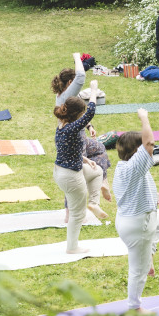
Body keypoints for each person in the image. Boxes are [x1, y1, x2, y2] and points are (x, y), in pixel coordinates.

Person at [112, 108, 159, 312]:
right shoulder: (135, 166)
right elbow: (149, 143)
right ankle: (134, 307)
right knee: (138, 270)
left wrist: (156, 196)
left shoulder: (123, 166)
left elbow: (138, 187)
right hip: (138, 226)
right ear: (137, 153)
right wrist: (144, 118)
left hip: (128, 219)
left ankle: (149, 255)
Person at [54, 82, 106, 254]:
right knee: (77, 215)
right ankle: (72, 247)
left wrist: (85, 159)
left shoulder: (62, 125)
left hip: (64, 170)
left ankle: (93, 203)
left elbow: (67, 149)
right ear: (77, 115)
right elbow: (90, 111)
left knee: (97, 171)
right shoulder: (72, 127)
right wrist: (93, 90)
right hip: (70, 176)